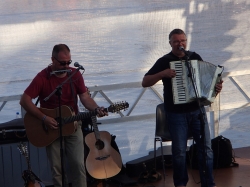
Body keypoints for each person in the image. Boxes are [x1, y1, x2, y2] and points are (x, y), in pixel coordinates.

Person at [142, 29, 223, 187]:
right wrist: (162, 74)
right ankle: (180, 184)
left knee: (206, 149)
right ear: (170, 43)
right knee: (179, 152)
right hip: (176, 114)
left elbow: (206, 82)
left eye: (183, 40)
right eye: (176, 41)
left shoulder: (194, 57)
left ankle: (208, 183)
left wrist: (215, 88)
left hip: (197, 111)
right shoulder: (164, 61)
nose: (180, 44)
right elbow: (145, 82)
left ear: (186, 41)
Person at [20, 44, 108, 187]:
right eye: (62, 63)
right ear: (52, 60)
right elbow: (24, 100)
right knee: (57, 169)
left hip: (73, 125)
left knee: (78, 165)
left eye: (69, 62)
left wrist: (97, 108)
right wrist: (44, 118)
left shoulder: (75, 75)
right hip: (51, 127)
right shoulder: (43, 77)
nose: (66, 66)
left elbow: (85, 98)